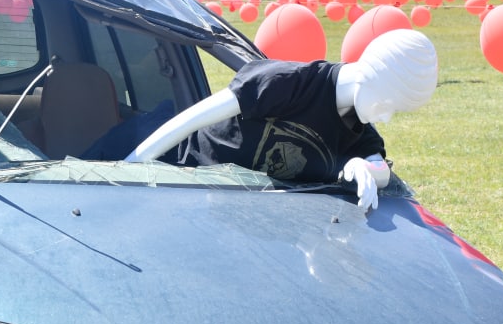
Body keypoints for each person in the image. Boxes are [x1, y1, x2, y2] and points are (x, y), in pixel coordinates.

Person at [127, 29, 438, 211]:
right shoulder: (285, 82)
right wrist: (130, 165)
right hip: (175, 174)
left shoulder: (357, 132)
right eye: (387, 102)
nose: (386, 116)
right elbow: (191, 119)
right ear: (370, 73)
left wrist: (365, 168)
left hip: (234, 208)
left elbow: (381, 168)